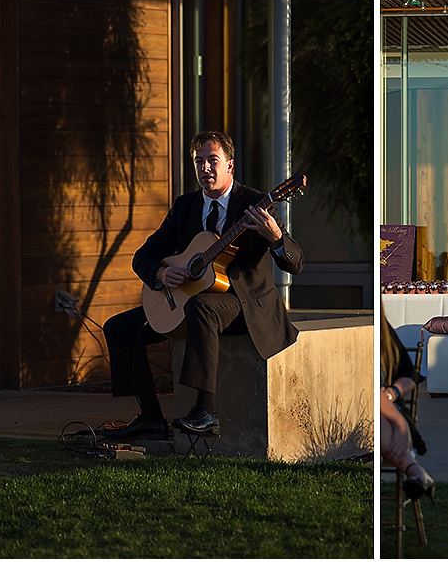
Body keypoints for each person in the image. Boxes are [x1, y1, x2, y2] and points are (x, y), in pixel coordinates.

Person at [101, 130, 304, 439]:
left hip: (243, 303)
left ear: (230, 165)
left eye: (213, 161)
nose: (205, 168)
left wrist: (275, 236)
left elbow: (296, 262)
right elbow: (144, 255)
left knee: (201, 307)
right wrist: (160, 274)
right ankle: (151, 418)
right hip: (187, 299)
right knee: (118, 329)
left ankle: (206, 410)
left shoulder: (255, 203)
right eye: (199, 162)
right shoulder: (186, 207)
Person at [380, 308, 435, 503]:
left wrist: (391, 393)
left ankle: (417, 474)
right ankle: (416, 472)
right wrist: (400, 423)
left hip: (383, 410)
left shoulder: (380, 328)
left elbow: (410, 374)